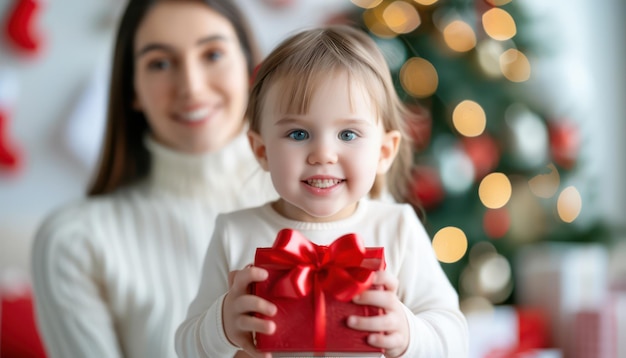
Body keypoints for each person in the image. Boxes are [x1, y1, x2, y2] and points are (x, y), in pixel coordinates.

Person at [175, 25, 469, 358]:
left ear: (384, 152)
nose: (323, 154)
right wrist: (222, 325)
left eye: (347, 134)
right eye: (298, 134)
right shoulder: (234, 232)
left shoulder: (397, 228)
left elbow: (454, 336)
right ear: (262, 151)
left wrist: (408, 333)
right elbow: (186, 345)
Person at [30, 0, 277, 357]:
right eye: (159, 63)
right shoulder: (74, 241)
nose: (191, 86)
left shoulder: (337, 201)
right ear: (132, 88)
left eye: (213, 55)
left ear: (249, 66)